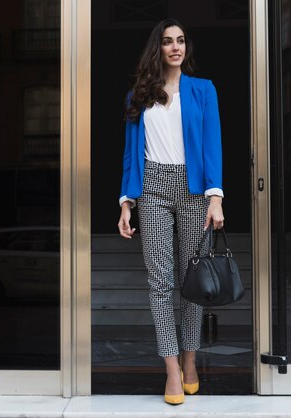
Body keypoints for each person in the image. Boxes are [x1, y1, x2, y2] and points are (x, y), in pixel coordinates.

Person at [117, 18, 225, 405]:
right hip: (153, 189)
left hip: (195, 189)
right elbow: (132, 155)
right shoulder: (138, 95)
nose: (175, 47)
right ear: (157, 48)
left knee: (193, 281)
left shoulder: (203, 90)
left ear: (186, 48)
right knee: (160, 281)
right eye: (167, 41)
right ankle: (171, 371)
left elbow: (212, 143)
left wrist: (216, 197)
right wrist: (126, 202)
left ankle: (190, 359)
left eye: (180, 41)